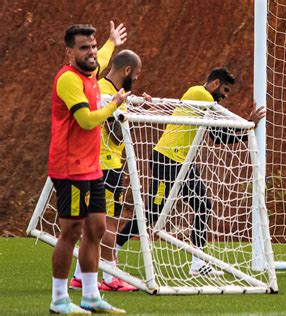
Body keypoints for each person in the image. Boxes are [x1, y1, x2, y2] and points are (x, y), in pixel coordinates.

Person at [115, 67, 265, 276]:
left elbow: (217, 136)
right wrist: (249, 125)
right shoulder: (201, 95)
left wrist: (247, 128)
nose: (225, 95)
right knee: (151, 214)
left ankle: (198, 263)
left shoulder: (200, 98)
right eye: (225, 90)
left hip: (182, 163)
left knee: (202, 204)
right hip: (166, 160)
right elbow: (219, 135)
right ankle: (113, 249)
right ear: (214, 84)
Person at [48, 22, 130, 314]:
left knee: (95, 228)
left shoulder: (91, 69)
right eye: (85, 48)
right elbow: (86, 121)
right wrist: (115, 105)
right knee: (71, 231)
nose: (92, 53)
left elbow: (104, 58)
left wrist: (111, 42)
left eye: (93, 47)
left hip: (91, 167)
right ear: (70, 52)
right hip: (69, 167)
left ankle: (91, 296)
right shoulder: (68, 80)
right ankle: (59, 299)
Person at [69, 50, 150, 292]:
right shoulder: (108, 94)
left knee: (93, 225)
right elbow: (115, 136)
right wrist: (127, 110)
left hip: (96, 164)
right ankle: (111, 276)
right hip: (107, 165)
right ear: (127, 71)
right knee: (108, 224)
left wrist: (134, 107)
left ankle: (80, 276)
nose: (135, 80)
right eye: (135, 75)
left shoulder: (99, 87)